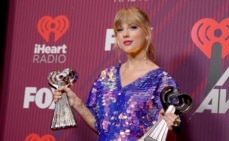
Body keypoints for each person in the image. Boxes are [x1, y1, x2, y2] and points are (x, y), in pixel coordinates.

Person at [53, 7, 180, 141]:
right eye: (120, 29)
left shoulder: (162, 81)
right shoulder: (107, 77)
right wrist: (75, 102)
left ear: (147, 33)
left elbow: (169, 136)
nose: (125, 34)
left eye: (132, 27)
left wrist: (168, 126)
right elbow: (103, 128)